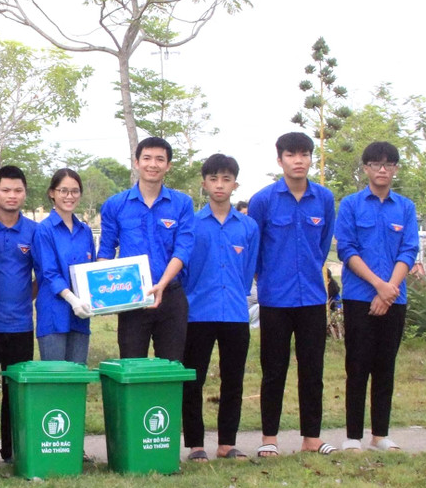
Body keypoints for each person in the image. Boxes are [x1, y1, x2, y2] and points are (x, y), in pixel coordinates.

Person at [246, 132, 337, 458]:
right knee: (274, 371)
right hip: (275, 299)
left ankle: (311, 438)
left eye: (304, 154)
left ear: (311, 158)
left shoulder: (324, 199)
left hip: (312, 297)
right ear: (279, 159)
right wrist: (268, 278)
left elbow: (322, 245)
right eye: (291, 155)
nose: (298, 160)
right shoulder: (263, 200)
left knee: (312, 371)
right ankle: (269, 438)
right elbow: (254, 249)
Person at [334, 141, 419, 452]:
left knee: (385, 367)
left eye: (388, 164)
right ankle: (353, 436)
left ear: (395, 169)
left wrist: (389, 290)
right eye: (375, 164)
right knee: (357, 366)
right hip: (359, 297)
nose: (382, 169)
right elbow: (347, 249)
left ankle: (380, 435)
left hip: (395, 298)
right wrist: (377, 285)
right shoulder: (351, 205)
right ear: (366, 168)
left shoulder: (405, 208)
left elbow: (409, 249)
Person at [181, 154, 259, 462]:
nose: (219, 185)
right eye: (213, 179)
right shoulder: (192, 224)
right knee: (193, 380)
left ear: (235, 185)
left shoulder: (248, 227)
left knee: (233, 380)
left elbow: (248, 270)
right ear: (204, 184)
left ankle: (227, 443)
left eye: (226, 179)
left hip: (235, 313)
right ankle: (195, 444)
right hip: (198, 312)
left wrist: (237, 295)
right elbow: (185, 269)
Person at [96, 136, 195, 360]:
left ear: (168, 165)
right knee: (131, 366)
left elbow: (183, 249)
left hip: (171, 296)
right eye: (147, 158)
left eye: (160, 159)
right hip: (132, 298)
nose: (153, 164)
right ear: (136, 162)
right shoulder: (115, 204)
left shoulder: (182, 204)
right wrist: (105, 290)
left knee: (170, 367)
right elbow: (106, 251)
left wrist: (162, 284)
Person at [0, 165, 38, 466]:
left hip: (21, 324)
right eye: (5, 190)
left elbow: (42, 274)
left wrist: (24, 296)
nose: (11, 195)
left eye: (17, 190)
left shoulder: (33, 231)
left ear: (25, 194)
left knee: (16, 391)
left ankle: (13, 450)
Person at [31, 168, 95, 364]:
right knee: (56, 376)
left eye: (75, 191)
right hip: (54, 314)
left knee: (77, 375)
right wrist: (72, 299)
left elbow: (91, 271)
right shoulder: (44, 230)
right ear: (52, 193)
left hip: (81, 315)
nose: (69, 196)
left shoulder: (85, 231)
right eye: (63, 191)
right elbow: (49, 273)